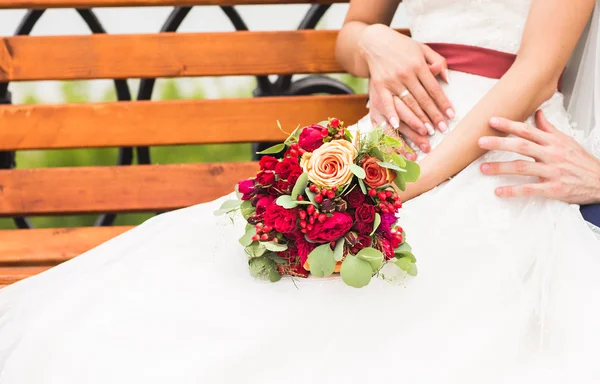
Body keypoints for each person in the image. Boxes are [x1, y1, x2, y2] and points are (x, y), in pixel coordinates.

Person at [0, 1, 599, 383]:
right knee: (219, 278)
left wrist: (415, 180)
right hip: (388, 139)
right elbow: (351, 32)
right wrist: (374, 43)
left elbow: (538, 70)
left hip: (494, 149)